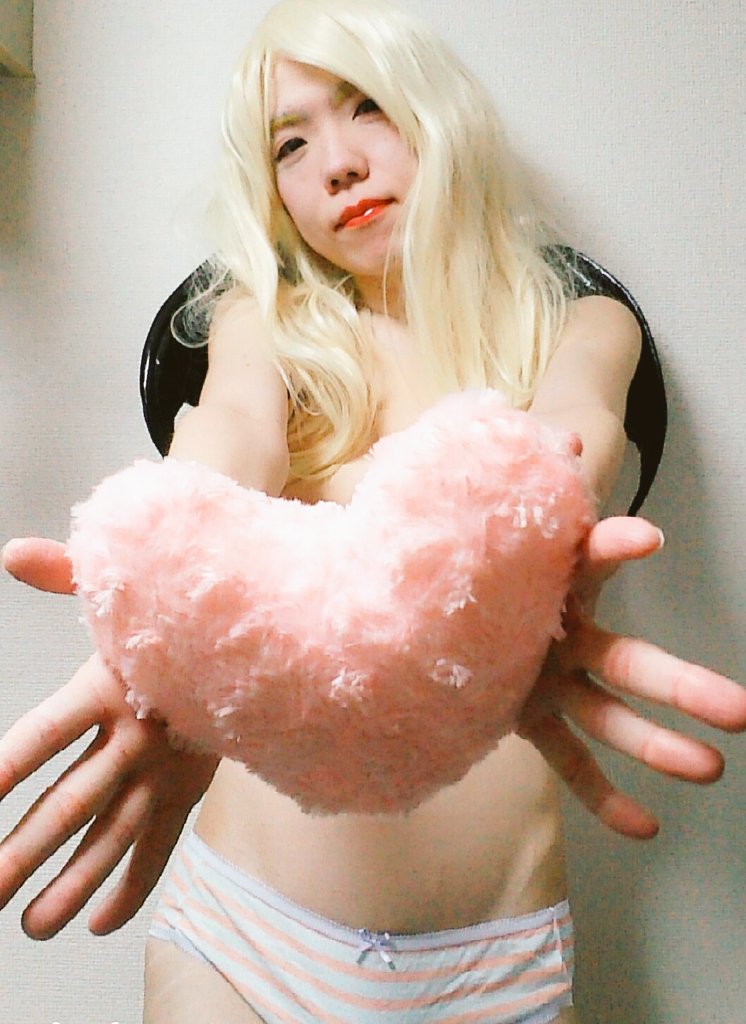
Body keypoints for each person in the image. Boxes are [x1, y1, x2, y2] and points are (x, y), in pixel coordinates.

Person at [1, 1, 745, 1021]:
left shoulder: (576, 322)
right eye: (290, 146)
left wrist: (532, 511)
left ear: (436, 111)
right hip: (242, 945)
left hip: (494, 968)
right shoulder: (262, 324)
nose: (338, 164)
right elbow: (230, 434)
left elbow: (574, 435)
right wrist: (161, 580)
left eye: (366, 107)